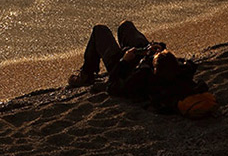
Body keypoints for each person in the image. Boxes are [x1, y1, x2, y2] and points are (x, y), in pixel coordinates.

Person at [68, 20, 210, 115]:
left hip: (121, 64)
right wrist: (157, 48)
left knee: (100, 30)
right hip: (140, 55)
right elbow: (188, 64)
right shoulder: (182, 72)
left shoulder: (142, 76)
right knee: (126, 25)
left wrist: (124, 61)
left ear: (154, 68)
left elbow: (113, 86)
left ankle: (86, 74)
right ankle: (144, 48)